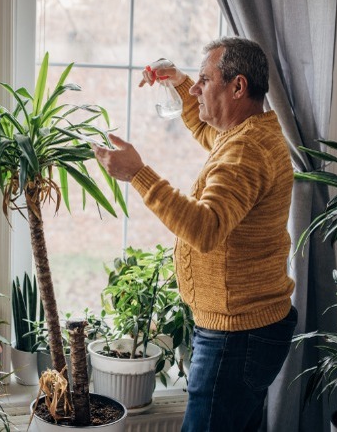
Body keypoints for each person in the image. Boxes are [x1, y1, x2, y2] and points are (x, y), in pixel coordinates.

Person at [92, 37, 298, 432]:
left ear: (238, 87)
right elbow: (212, 137)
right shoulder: (249, 134)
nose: (194, 88)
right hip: (250, 326)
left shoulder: (246, 151)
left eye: (204, 79)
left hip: (236, 335)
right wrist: (181, 80)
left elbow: (205, 229)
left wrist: (138, 173)